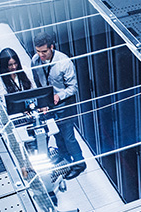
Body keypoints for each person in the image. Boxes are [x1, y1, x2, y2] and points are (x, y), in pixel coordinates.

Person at [31, 32, 86, 180]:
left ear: (52, 47)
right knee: (56, 134)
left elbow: (73, 88)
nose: (40, 55)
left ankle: (80, 164)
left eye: (44, 51)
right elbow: (37, 83)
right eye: (38, 51)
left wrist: (58, 95)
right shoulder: (35, 60)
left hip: (64, 104)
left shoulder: (64, 62)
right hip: (48, 105)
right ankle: (65, 159)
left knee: (68, 137)